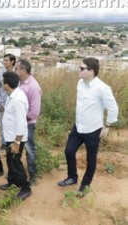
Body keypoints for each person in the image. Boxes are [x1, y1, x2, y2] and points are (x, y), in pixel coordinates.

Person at [58, 57, 118, 194]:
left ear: (91, 71)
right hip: (78, 126)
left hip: (93, 130)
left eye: (82, 68)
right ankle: (72, 177)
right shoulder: (80, 83)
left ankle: (85, 185)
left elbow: (113, 108)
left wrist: (107, 126)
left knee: (90, 159)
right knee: (69, 151)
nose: (79, 70)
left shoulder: (102, 88)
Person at [0, 71, 32, 201]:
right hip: (10, 137)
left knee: (15, 163)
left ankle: (25, 188)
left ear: (6, 85)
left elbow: (21, 123)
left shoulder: (18, 99)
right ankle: (12, 182)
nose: (2, 84)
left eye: (3, 82)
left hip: (15, 138)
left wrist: (17, 143)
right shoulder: (11, 95)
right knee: (10, 161)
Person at [15, 59, 42, 184]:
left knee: (30, 149)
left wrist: (22, 120)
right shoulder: (20, 82)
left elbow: (34, 111)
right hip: (19, 122)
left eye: (17, 68)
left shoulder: (33, 87)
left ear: (23, 71)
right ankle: (16, 172)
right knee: (17, 147)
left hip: (28, 124)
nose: (15, 70)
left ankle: (33, 174)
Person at [0, 53, 16, 150]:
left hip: (14, 102)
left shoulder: (17, 73)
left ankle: (14, 142)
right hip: (3, 103)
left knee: (14, 122)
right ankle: (4, 143)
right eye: (3, 60)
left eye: (6, 60)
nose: (4, 62)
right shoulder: (0, 74)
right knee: (3, 123)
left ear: (12, 61)